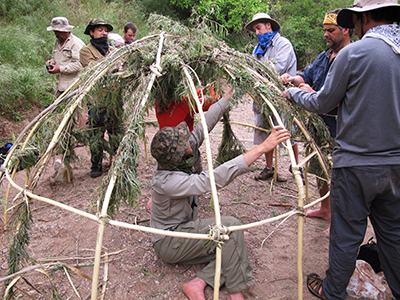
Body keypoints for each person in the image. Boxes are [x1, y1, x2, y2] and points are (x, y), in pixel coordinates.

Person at [284, 0, 400, 299]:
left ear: (365, 19)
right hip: (396, 165)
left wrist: (292, 93)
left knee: (346, 234)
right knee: (392, 236)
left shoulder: (355, 53)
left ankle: (332, 292)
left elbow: (323, 102)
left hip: (357, 164)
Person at [150, 88, 290, 300]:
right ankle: (236, 294)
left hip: (184, 230)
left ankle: (198, 282)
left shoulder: (182, 152)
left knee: (232, 242)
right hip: (171, 241)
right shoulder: (168, 182)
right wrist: (262, 148)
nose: (188, 138)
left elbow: (206, 123)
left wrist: (228, 97)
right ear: (178, 156)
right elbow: (213, 179)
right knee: (231, 228)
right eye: (183, 141)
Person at [280, 9, 353, 224]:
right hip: (319, 124)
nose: (326, 35)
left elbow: (347, 97)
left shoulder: (353, 57)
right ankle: (325, 209)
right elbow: (307, 74)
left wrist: (314, 95)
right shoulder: (325, 55)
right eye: (325, 30)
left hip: (342, 128)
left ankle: (342, 220)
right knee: (320, 168)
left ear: (346, 30)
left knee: (340, 175)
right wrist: (292, 79)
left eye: (331, 30)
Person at [245, 13, 298, 181]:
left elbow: (277, 68)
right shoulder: (258, 48)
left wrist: (256, 70)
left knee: (287, 130)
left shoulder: (284, 45)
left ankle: (295, 166)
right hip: (263, 97)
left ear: (269, 26)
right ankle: (269, 167)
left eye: (259, 28)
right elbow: (251, 68)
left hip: (281, 96)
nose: (257, 33)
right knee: (265, 130)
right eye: (255, 30)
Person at [80, 18, 123, 178]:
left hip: (113, 101)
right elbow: (95, 70)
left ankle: (117, 161)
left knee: (115, 134)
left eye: (105, 30)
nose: (104, 33)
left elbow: (120, 67)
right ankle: (96, 165)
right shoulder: (86, 51)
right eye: (100, 30)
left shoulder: (112, 51)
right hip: (97, 102)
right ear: (91, 32)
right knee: (96, 136)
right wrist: (113, 64)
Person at [46, 17, 85, 98]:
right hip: (60, 86)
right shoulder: (58, 42)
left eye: (58, 32)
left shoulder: (76, 43)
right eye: (55, 32)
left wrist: (59, 69)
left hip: (73, 87)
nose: (56, 34)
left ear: (66, 30)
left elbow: (79, 64)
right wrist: (51, 62)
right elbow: (56, 57)